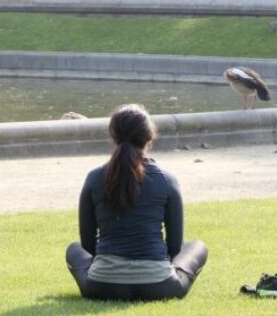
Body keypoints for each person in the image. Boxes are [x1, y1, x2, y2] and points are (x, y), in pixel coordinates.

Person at [66, 104, 208, 301]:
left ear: (113, 136)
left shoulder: (94, 177)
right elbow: (175, 247)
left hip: (101, 286)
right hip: (160, 286)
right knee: (197, 247)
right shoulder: (166, 180)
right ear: (150, 137)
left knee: (74, 250)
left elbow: (87, 244)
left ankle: (112, 274)